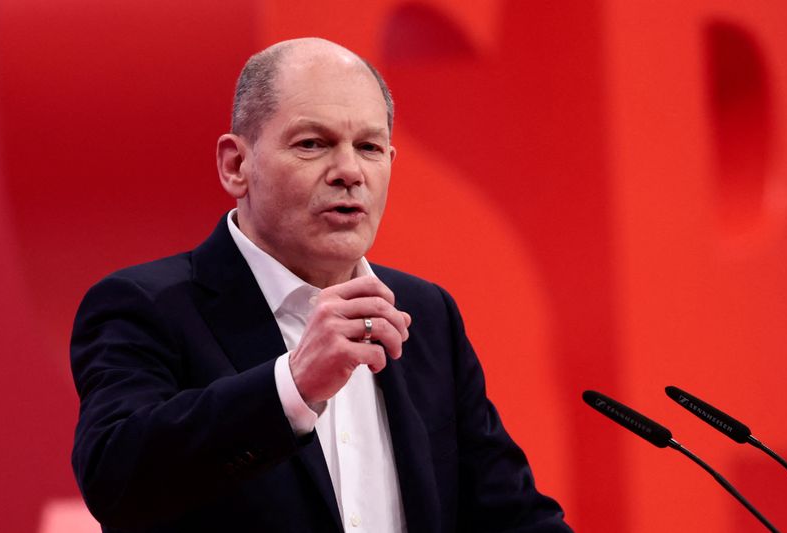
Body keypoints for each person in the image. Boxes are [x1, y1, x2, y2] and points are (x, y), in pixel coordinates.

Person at [71, 37, 572, 532]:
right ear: (236, 164)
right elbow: (116, 483)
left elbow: (511, 516)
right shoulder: (146, 307)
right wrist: (292, 386)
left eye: (370, 147)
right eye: (313, 143)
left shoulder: (426, 313)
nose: (349, 171)